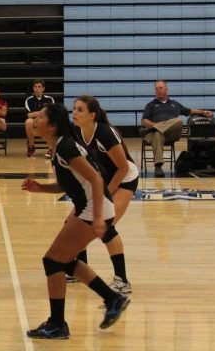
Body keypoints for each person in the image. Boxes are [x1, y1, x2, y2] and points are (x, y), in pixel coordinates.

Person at [22, 104, 130, 339]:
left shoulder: (66, 147)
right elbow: (69, 183)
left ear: (52, 126)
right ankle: (113, 298)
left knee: (52, 262)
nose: (34, 120)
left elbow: (96, 179)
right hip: (89, 207)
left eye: (39, 117)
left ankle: (57, 324)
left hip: (94, 208)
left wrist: (100, 217)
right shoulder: (59, 146)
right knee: (65, 261)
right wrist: (40, 188)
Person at [71, 95, 137, 294]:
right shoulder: (78, 133)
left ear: (92, 115)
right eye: (74, 109)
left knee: (106, 226)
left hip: (125, 178)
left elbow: (123, 168)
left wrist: (105, 195)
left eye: (80, 110)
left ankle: (122, 281)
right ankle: (80, 270)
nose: (74, 113)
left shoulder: (105, 133)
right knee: (78, 222)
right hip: (103, 179)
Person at [141, 80, 212, 177]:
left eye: (160, 88)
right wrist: (154, 126)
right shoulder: (150, 105)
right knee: (157, 134)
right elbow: (144, 121)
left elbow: (189, 111)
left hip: (171, 134)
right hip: (156, 136)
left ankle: (155, 128)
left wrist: (203, 112)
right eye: (156, 89)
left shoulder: (175, 104)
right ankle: (158, 166)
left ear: (166, 89)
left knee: (178, 121)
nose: (158, 90)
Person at [24, 79, 55, 157]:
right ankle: (31, 147)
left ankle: (51, 149)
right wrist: (43, 112)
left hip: (46, 122)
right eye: (35, 87)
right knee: (28, 122)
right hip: (35, 122)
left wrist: (37, 113)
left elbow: (51, 113)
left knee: (51, 121)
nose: (37, 89)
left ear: (43, 88)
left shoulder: (50, 99)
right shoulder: (29, 100)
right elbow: (29, 115)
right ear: (33, 88)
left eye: (39, 87)